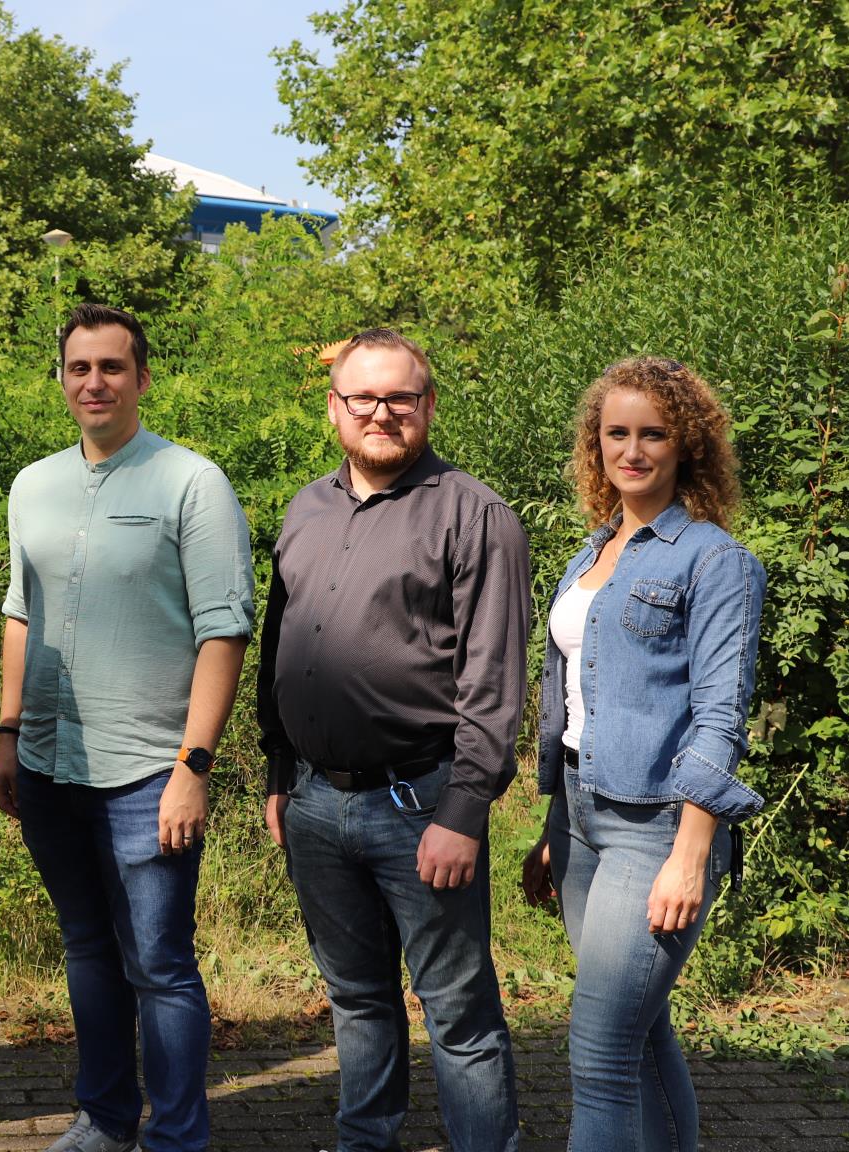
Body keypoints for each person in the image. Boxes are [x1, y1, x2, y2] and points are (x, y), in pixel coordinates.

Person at [0, 303, 255, 1152]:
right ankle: (105, 1119)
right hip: (49, 766)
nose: (93, 382)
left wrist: (193, 766)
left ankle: (178, 1136)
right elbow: (19, 615)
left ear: (143, 378)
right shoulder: (32, 484)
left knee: (161, 966)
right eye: (79, 368)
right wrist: (7, 736)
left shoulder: (191, 481)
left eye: (111, 367)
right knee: (87, 950)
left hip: (149, 771)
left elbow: (225, 628)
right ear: (61, 379)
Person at [257, 328, 528, 1152]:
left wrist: (465, 810)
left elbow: (494, 681)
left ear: (429, 405)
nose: (381, 412)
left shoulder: (475, 516)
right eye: (362, 397)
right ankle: (365, 1139)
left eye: (399, 397)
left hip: (421, 804)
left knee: (456, 1009)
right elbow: (278, 643)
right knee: (356, 997)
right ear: (335, 407)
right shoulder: (306, 507)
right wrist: (277, 769)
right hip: (312, 800)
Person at [522, 357, 764, 1152]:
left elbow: (720, 716)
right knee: (643, 1032)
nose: (632, 450)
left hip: (656, 829)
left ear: (686, 445)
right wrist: (553, 824)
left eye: (652, 433)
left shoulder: (715, 560)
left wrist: (691, 853)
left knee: (598, 1052)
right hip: (581, 822)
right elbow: (577, 702)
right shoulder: (588, 556)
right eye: (615, 433)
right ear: (596, 445)